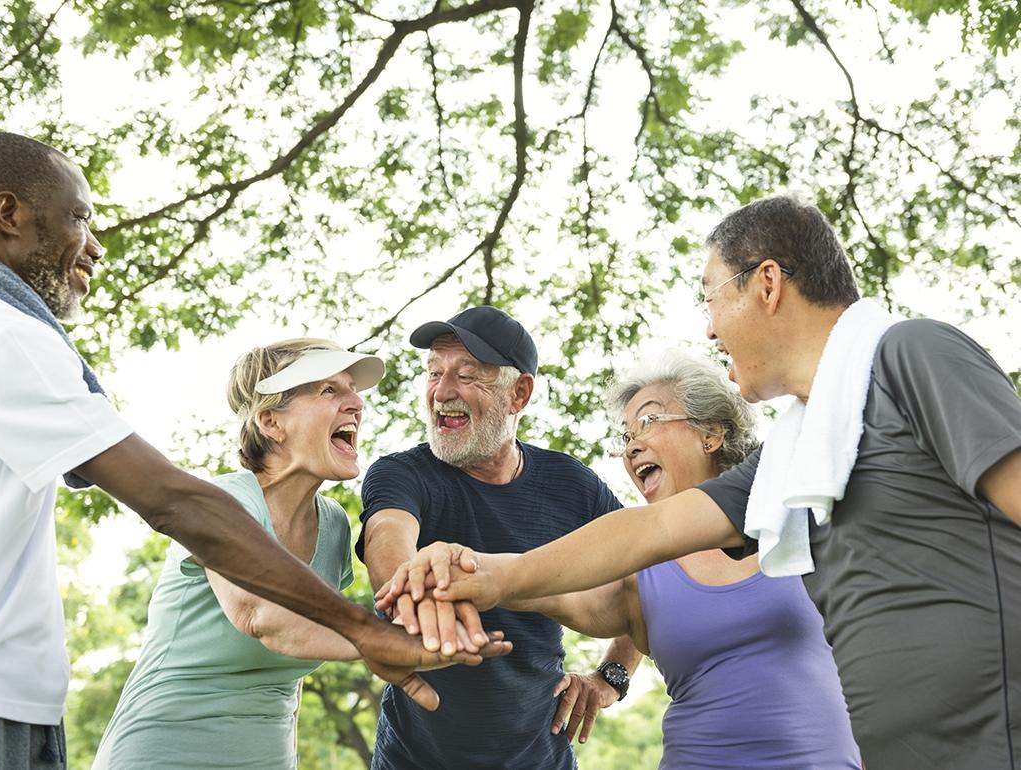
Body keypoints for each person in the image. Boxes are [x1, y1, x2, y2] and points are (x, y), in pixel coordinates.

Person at [380, 196, 1021, 769]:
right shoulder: (794, 459)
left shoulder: (909, 352)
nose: (710, 329)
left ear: (767, 282)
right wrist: (485, 573)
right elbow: (652, 528)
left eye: (711, 296)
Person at [0, 132, 505, 770]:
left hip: (5, 693)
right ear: (9, 215)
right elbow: (175, 503)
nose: (96, 245)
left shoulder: (335, 525)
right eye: (79, 216)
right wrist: (370, 633)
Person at [93, 338, 507, 769]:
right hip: (162, 753)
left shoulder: (332, 525)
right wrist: (386, 642)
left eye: (352, 390)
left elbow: (291, 672)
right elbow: (263, 617)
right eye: (329, 390)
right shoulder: (225, 501)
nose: (356, 404)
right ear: (272, 422)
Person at [498, 350, 860, 768]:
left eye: (648, 422)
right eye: (626, 436)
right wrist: (462, 572)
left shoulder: (797, 518)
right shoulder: (639, 570)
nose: (632, 446)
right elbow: (542, 589)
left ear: (711, 434)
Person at [358, 305, 637, 770]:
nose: (442, 391)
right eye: (434, 372)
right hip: (414, 760)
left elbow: (644, 577)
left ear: (519, 394)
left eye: (466, 375)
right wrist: (410, 594)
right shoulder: (401, 473)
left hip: (540, 758)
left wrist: (612, 677)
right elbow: (388, 537)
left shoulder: (572, 485)